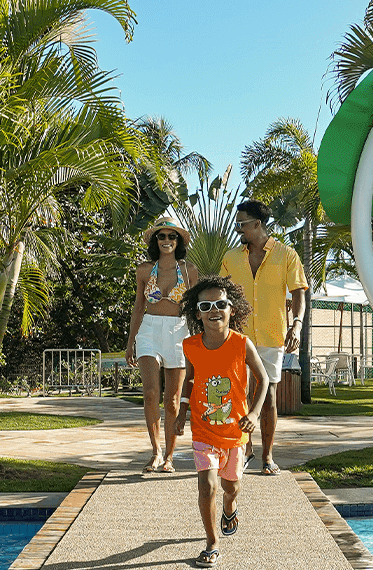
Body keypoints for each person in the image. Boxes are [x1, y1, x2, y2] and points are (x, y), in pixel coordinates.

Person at [176, 276, 269, 569]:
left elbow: (263, 379)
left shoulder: (242, 344)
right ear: (198, 312)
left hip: (234, 431)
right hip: (203, 430)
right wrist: (181, 411)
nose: (214, 310)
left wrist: (253, 414)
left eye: (220, 304)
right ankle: (212, 543)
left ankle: (230, 507)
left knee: (230, 486)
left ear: (232, 309)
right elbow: (190, 379)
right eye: (206, 305)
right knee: (207, 486)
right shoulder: (190, 345)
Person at [218, 199, 308, 475]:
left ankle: (268, 456)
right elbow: (222, 295)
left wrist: (297, 325)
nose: (238, 229)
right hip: (237, 337)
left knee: (268, 396)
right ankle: (244, 452)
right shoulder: (231, 258)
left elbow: (298, 294)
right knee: (236, 396)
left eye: (241, 224)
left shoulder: (287, 255)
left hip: (271, 336)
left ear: (257, 224)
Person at [126, 218, 199, 473]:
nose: (166, 241)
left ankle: (170, 456)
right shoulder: (145, 270)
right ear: (155, 241)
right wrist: (130, 342)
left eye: (171, 237)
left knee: (173, 399)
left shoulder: (189, 271)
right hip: (149, 329)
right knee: (150, 394)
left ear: (178, 242)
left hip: (179, 331)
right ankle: (155, 452)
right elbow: (138, 307)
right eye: (161, 237)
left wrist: (200, 343)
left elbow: (195, 309)